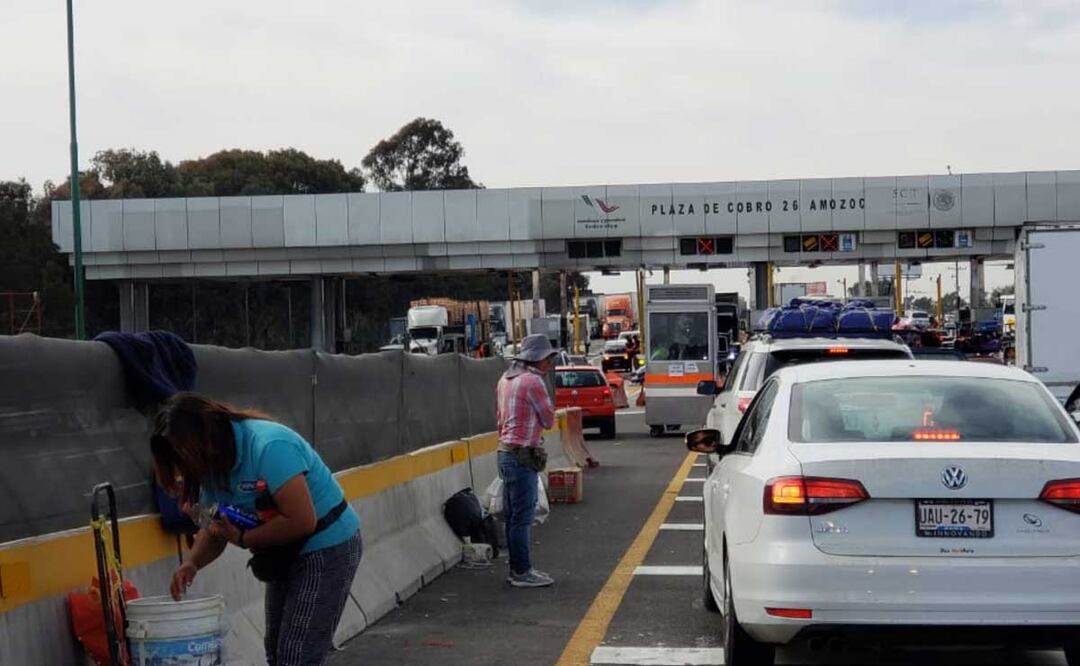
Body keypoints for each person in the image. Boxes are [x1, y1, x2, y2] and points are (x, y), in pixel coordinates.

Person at [151, 393, 362, 666]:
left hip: (328, 544)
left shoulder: (269, 446)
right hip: (281, 551)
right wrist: (192, 563)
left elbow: (301, 520)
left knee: (297, 655)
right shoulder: (210, 469)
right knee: (276, 650)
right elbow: (216, 528)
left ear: (206, 442)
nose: (186, 474)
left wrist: (243, 538)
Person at [496, 334, 557, 588]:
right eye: (547, 358)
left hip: (505, 452)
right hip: (522, 455)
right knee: (522, 517)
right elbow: (548, 420)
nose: (549, 364)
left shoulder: (505, 380)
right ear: (537, 359)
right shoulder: (533, 382)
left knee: (513, 517)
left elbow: (499, 418)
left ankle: (517, 569)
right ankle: (522, 571)